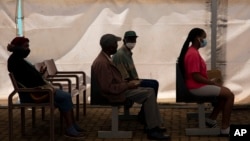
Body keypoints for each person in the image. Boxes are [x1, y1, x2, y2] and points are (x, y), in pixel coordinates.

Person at [91, 33, 170, 140]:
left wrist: (128, 84)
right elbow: (107, 88)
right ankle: (152, 129)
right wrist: (127, 85)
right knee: (149, 93)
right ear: (109, 48)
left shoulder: (105, 58)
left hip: (120, 89)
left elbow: (112, 82)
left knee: (150, 89)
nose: (117, 46)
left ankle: (154, 125)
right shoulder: (102, 63)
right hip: (115, 94)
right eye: (115, 44)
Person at [7, 37, 85, 138]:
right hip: (31, 94)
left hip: (36, 90)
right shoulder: (16, 62)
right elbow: (28, 80)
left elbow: (28, 78)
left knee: (65, 97)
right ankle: (70, 128)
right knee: (65, 97)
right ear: (18, 47)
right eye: (26, 46)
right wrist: (40, 80)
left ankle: (72, 125)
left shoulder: (18, 60)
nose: (28, 49)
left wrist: (40, 74)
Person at [177, 28, 234, 136]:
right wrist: (211, 83)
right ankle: (225, 128)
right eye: (203, 38)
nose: (204, 41)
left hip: (198, 84)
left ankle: (211, 119)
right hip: (196, 87)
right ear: (197, 38)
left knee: (225, 94)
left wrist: (210, 81)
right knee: (230, 95)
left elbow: (198, 74)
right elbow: (196, 76)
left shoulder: (193, 51)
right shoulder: (192, 54)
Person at [112, 30, 159, 123]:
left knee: (154, 83)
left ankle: (144, 113)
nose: (133, 42)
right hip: (127, 83)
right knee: (153, 86)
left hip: (132, 80)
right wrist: (136, 83)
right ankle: (144, 115)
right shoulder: (121, 54)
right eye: (130, 39)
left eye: (134, 39)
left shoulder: (127, 52)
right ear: (124, 40)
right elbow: (124, 77)